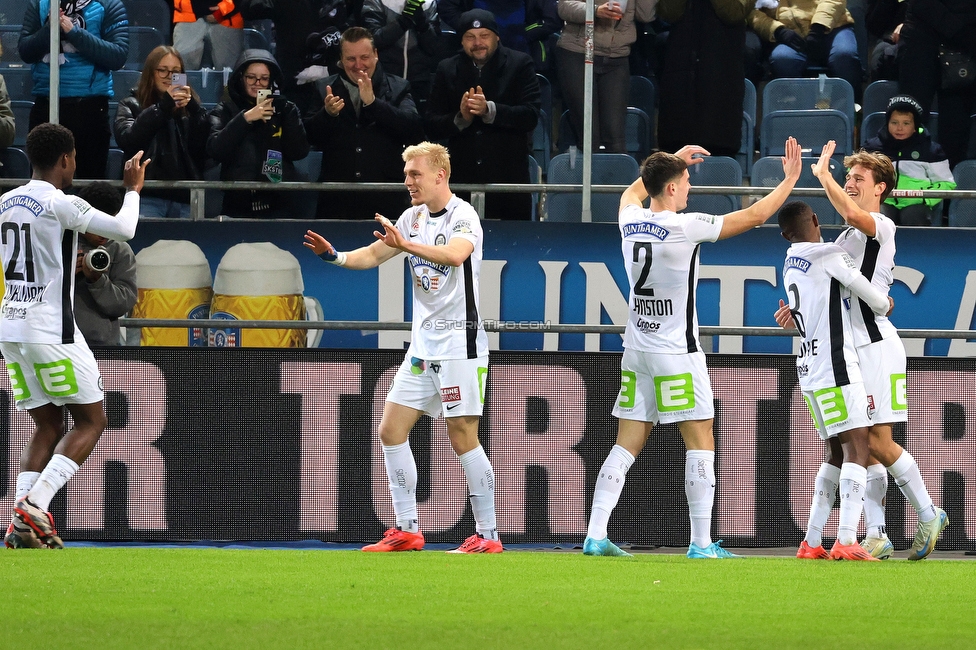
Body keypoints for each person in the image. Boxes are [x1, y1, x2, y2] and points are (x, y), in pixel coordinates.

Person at [582, 137, 802, 559]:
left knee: (626, 442)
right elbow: (754, 216)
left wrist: (670, 162)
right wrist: (789, 179)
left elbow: (632, 192)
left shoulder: (630, 220)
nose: (689, 189)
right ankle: (701, 543)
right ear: (670, 189)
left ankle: (595, 533)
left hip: (637, 348)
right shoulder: (686, 226)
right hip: (676, 352)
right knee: (700, 438)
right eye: (684, 181)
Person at [303, 142, 501, 554]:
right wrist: (334, 257)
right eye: (406, 173)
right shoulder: (410, 219)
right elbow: (373, 255)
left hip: (459, 343)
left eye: (415, 173)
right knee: (390, 430)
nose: (407, 181)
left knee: (462, 435)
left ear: (439, 176)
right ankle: (407, 529)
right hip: (424, 346)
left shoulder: (464, 216)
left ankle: (488, 536)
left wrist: (405, 245)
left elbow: (454, 255)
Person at [777, 142, 948, 561]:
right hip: (849, 346)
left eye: (858, 178)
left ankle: (929, 514)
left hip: (877, 344)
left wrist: (822, 175)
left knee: (877, 441)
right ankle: (875, 532)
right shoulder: (847, 236)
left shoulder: (879, 225)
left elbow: (854, 218)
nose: (850, 183)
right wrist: (796, 316)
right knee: (861, 443)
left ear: (881, 188)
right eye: (847, 176)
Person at [1, 123, 148, 549]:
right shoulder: (61, 203)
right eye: (75, 158)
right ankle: (36, 503)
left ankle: (19, 524)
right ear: (66, 159)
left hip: (10, 325)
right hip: (51, 328)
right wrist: (132, 189)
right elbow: (126, 229)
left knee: (47, 424)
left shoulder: (6, 201)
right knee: (92, 419)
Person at [778, 199, 893, 561]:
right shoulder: (828, 252)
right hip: (836, 365)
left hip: (808, 369)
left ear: (785, 234)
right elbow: (871, 295)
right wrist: (885, 304)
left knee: (834, 452)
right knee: (859, 448)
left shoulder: (789, 262)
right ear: (814, 219)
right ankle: (846, 539)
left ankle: (811, 542)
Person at [425, 9, 540, 221]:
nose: (478, 42)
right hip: (461, 179)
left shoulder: (520, 64)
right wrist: (460, 118)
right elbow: (431, 124)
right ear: (461, 41)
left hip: (508, 178)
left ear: (497, 36)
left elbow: (530, 116)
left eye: (484, 35)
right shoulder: (447, 68)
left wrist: (490, 110)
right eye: (470, 37)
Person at [303, 27, 424, 219]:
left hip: (387, 201)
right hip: (336, 202)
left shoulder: (399, 87)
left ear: (375, 55)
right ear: (341, 60)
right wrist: (326, 115)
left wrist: (374, 104)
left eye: (364, 57)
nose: (358, 64)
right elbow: (308, 138)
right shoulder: (323, 88)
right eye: (351, 59)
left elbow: (414, 131)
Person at [19, 0, 129, 180]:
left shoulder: (109, 5)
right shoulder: (39, 4)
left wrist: (74, 32)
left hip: (90, 109)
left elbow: (117, 56)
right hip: (46, 105)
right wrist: (49, 29)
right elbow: (25, 52)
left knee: (91, 183)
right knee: (43, 183)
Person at [206, 49, 311, 217]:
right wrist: (245, 119)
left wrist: (286, 116)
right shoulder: (225, 110)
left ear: (272, 81)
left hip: (280, 206)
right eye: (251, 77)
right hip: (237, 205)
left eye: (264, 78)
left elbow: (298, 152)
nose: (258, 83)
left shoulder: (286, 110)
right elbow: (216, 150)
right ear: (241, 77)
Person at [114, 46, 211, 219]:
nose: (169, 77)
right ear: (151, 73)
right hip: (147, 195)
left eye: (175, 72)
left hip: (185, 197)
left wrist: (195, 110)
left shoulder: (191, 110)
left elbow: (206, 149)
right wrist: (164, 105)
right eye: (163, 71)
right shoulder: (130, 104)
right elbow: (128, 139)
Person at [556, 0, 656, 153]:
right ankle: (584, 175)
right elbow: (564, 7)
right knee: (589, 134)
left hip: (617, 55)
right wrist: (594, 11)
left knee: (615, 136)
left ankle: (614, 175)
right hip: (578, 52)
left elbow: (646, 15)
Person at [656, 0, 749, 158]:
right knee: (675, 143)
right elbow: (668, 12)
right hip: (681, 65)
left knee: (718, 142)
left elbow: (733, 13)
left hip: (721, 66)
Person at [896, 0, 976, 168]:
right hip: (921, 42)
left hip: (965, 46)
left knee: (956, 132)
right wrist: (961, 30)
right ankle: (907, 188)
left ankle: (949, 189)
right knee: (909, 122)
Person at [862, 95, 955, 226]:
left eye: (906, 123)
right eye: (894, 122)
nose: (899, 128)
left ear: (915, 126)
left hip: (917, 203)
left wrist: (924, 200)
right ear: (887, 123)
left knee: (913, 215)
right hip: (882, 201)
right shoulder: (871, 148)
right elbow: (856, 175)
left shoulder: (932, 150)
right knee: (877, 217)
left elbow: (946, 183)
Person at [750, 0, 862, 103]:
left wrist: (818, 27)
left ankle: (850, 109)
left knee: (844, 56)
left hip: (833, 26)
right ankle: (800, 109)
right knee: (782, 60)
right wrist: (777, 30)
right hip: (789, 32)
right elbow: (751, 11)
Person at [73, 182, 138, 346]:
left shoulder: (120, 250)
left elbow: (122, 305)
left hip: (103, 345)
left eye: (111, 224)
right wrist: (64, 273)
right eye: (99, 224)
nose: (104, 233)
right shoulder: (60, 242)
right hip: (59, 342)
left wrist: (97, 281)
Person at [361, 0, 446, 108]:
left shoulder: (428, 2)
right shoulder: (376, 1)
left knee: (418, 122)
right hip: (385, 79)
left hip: (419, 78)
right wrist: (403, 21)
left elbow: (434, 47)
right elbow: (372, 41)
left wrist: (422, 24)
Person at [439, 0, 562, 75]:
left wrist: (523, 34)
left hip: (526, 55)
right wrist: (470, 29)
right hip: (476, 59)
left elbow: (552, 19)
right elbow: (446, 8)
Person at [172, 0, 245, 71]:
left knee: (229, 69)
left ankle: (228, 83)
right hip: (187, 15)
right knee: (180, 65)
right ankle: (178, 83)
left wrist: (223, 10)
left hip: (228, 19)